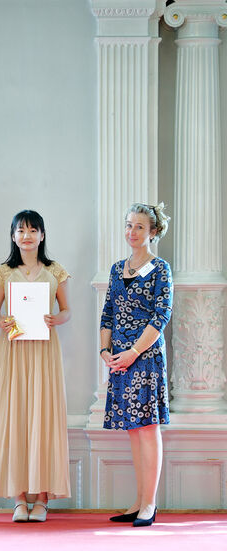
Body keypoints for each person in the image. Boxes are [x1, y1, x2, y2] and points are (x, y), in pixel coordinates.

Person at [0, 210, 71, 522]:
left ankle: (43, 499)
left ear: (42, 235)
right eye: (21, 230)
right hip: (13, 350)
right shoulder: (4, 272)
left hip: (45, 350)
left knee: (45, 416)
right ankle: (19, 498)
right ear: (13, 236)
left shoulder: (55, 271)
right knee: (15, 416)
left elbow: (67, 310)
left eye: (33, 230)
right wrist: (2, 322)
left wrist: (56, 319)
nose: (27, 236)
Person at [100, 203, 173, 527]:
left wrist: (132, 352)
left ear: (153, 232)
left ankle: (150, 503)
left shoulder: (161, 269)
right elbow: (108, 314)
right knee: (133, 431)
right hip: (120, 362)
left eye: (139, 227)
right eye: (129, 225)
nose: (132, 232)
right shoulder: (117, 269)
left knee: (148, 429)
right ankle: (138, 501)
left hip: (146, 358)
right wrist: (105, 350)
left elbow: (161, 316)